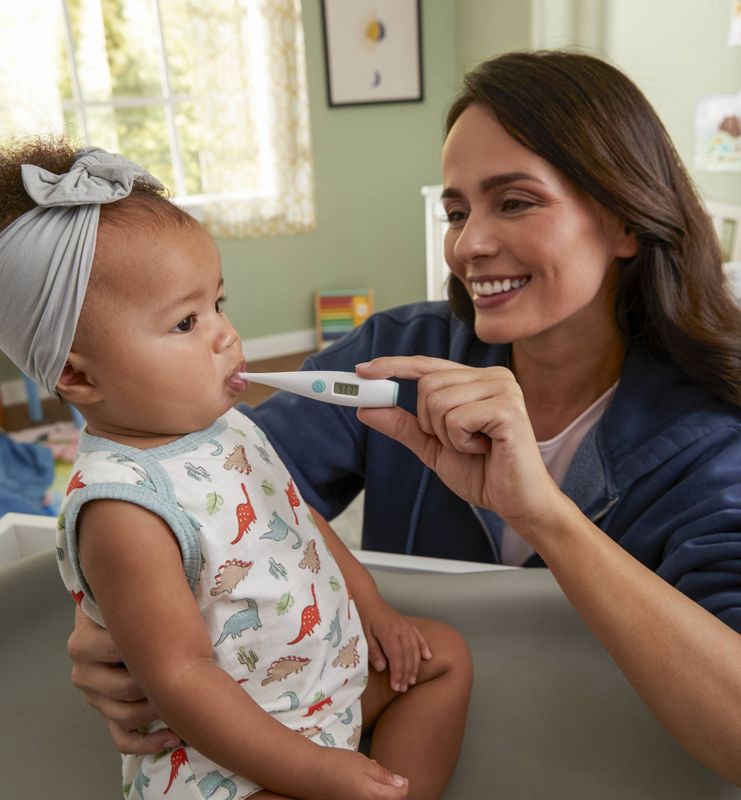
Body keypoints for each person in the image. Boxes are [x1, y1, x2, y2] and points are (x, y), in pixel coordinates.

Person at [67, 50, 741, 796]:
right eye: (457, 211)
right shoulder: (396, 360)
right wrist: (111, 629)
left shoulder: (717, 449)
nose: (467, 245)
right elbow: (205, 501)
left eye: (513, 202)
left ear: (622, 220)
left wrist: (545, 516)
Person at [0, 141, 472, 800]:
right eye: (186, 322)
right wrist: (316, 772)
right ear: (77, 374)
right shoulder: (123, 509)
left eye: (219, 303)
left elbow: (296, 518)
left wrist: (375, 609)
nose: (226, 334)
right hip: (228, 761)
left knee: (441, 654)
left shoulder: (231, 426)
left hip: (318, 693)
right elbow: (184, 679)